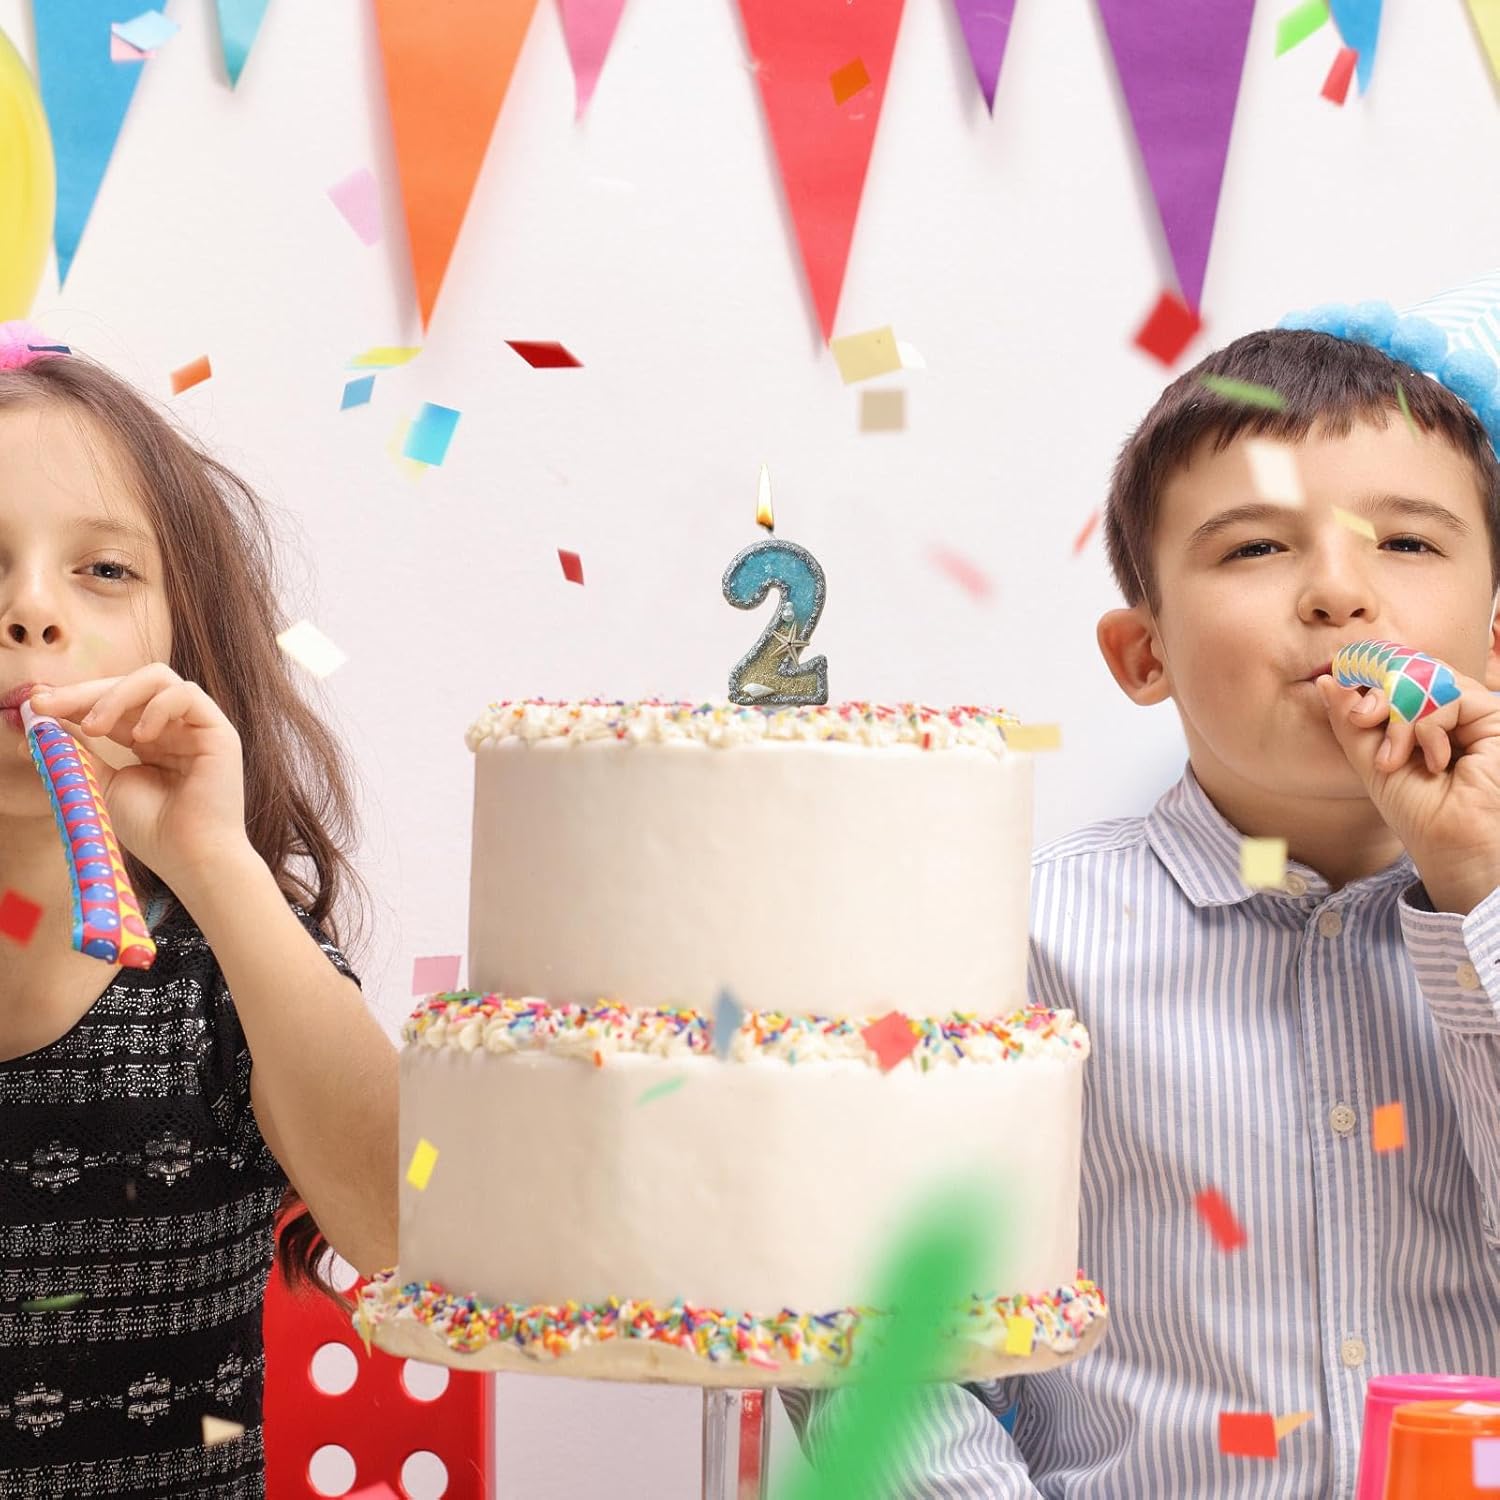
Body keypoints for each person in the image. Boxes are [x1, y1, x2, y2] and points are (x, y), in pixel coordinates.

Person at [783, 277, 1500, 1496]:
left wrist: (1476, 891)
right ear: (1144, 653)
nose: (1339, 592)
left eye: (1408, 542)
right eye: (1258, 546)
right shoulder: (1008, 948)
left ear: (1494, 640)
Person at [0, 323, 399, 1498]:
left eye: (103, 571)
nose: (31, 614)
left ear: (183, 633)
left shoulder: (227, 961)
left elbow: (399, 1226)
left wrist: (217, 862)